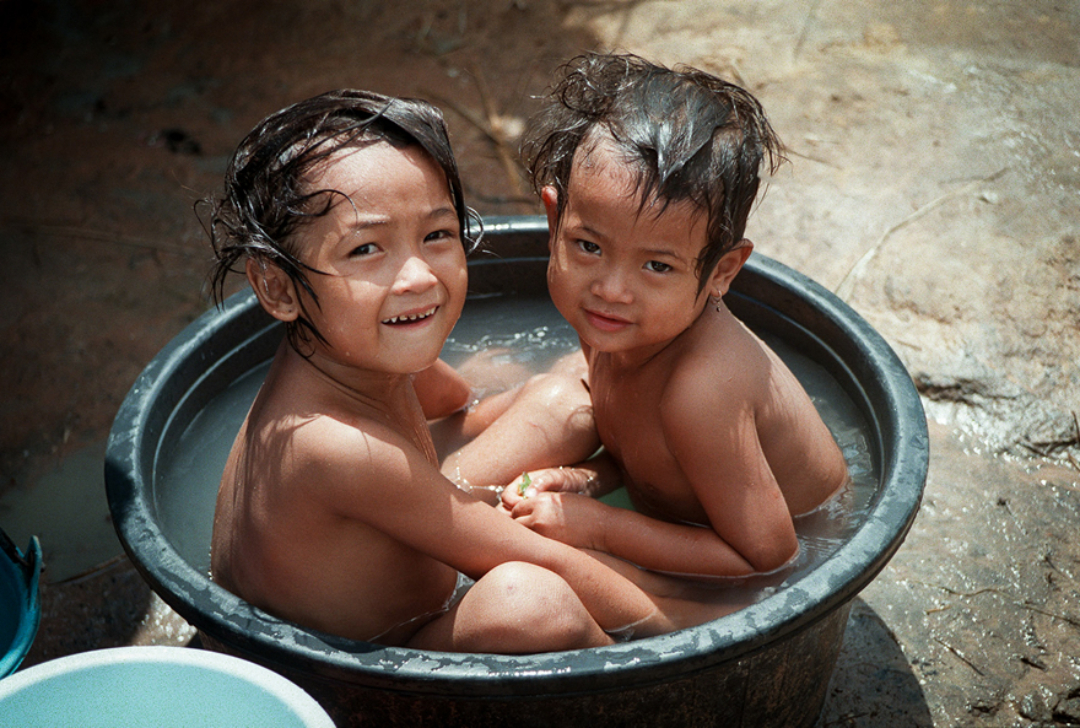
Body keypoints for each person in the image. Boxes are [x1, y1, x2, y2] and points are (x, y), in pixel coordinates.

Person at [203, 88, 679, 653]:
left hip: (415, 531)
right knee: (530, 601)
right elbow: (537, 557)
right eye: (365, 250)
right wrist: (706, 622)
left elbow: (456, 402)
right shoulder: (331, 447)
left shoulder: (353, 345)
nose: (418, 277)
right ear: (278, 287)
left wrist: (568, 447)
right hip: (366, 672)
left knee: (562, 402)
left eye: (436, 235)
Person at [501, 54, 850, 580]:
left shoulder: (700, 392)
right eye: (589, 246)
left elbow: (770, 557)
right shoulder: (616, 325)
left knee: (548, 585)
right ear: (554, 221)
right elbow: (652, 459)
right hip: (705, 519)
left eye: (658, 265)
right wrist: (585, 481)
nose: (611, 289)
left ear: (722, 272)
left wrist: (597, 527)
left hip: (796, 559)